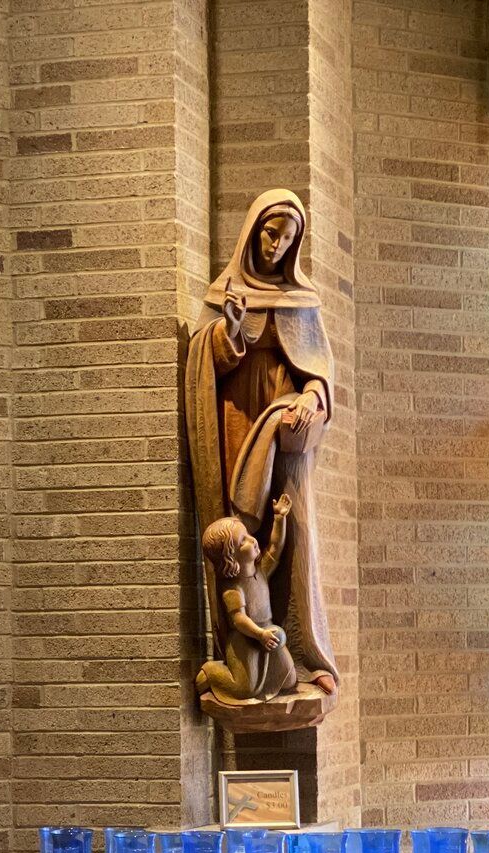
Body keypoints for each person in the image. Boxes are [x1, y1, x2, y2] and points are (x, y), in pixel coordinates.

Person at [183, 189, 340, 698]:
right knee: (241, 531)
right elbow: (211, 360)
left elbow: (317, 371)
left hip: (287, 431)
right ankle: (241, 649)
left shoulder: (303, 300)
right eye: (271, 234)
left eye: (288, 239)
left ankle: (299, 650)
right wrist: (227, 329)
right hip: (237, 422)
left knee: (293, 527)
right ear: (253, 233)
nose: (277, 246)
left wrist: (313, 397)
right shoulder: (226, 291)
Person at [195, 495, 298, 704]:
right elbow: (238, 619)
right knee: (244, 689)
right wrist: (259, 634)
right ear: (230, 557)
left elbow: (276, 547)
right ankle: (211, 672)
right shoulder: (233, 588)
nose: (252, 540)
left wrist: (279, 518)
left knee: (289, 679)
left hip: (267, 633)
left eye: (248, 535)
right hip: (245, 640)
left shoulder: (260, 572)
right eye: (243, 541)